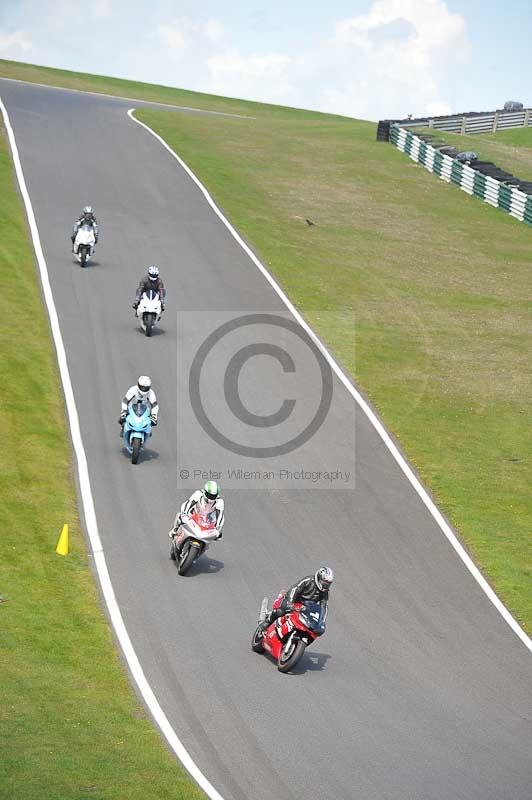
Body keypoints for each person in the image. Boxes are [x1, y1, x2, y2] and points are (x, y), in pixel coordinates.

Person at [262, 567, 334, 627]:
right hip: (294, 601)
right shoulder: (308, 580)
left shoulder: (325, 592)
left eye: (328, 584)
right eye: (324, 582)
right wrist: (290, 602)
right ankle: (267, 621)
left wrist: (322, 621)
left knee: (308, 626)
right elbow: (295, 589)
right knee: (280, 612)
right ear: (318, 578)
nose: (325, 585)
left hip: (305, 608)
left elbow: (323, 607)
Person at [169, 480, 224, 553]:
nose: (211, 498)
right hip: (194, 514)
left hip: (207, 520)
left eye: (213, 496)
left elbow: (220, 515)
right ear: (205, 492)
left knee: (218, 535)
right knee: (180, 517)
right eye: (209, 495)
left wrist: (218, 527)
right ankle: (176, 529)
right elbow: (189, 503)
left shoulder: (219, 502)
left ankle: (203, 546)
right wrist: (184, 513)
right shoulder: (198, 494)